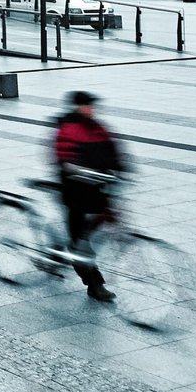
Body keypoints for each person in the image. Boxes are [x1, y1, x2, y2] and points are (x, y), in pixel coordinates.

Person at [51, 91, 127, 304]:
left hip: (97, 190)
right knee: (80, 244)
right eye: (86, 106)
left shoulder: (97, 127)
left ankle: (65, 250)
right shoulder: (67, 129)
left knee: (98, 226)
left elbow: (115, 150)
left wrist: (123, 169)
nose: (90, 109)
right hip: (75, 192)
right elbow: (64, 161)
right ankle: (95, 285)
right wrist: (83, 173)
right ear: (76, 107)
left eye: (91, 106)